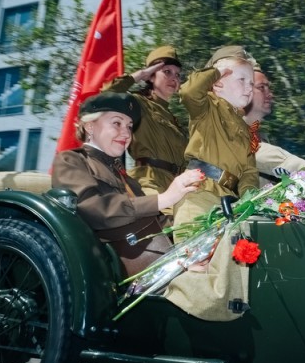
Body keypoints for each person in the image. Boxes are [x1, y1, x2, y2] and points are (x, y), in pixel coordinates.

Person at [51, 91, 204, 276]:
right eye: (116, 123)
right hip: (112, 269)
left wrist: (191, 242)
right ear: (90, 126)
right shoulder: (70, 160)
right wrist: (164, 199)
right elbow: (94, 210)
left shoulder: (122, 173)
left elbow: (155, 221)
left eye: (129, 126)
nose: (126, 133)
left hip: (153, 259)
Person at [172, 45, 259, 243]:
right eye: (241, 80)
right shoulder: (207, 107)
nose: (249, 88)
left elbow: (249, 172)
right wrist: (217, 72)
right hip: (199, 195)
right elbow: (189, 92)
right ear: (218, 83)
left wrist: (248, 200)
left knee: (221, 270)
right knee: (196, 265)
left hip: (229, 203)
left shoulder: (247, 130)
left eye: (252, 83)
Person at [101, 46, 189, 208]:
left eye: (177, 74)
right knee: (164, 221)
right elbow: (105, 96)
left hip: (176, 183)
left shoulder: (173, 119)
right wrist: (140, 74)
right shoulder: (137, 103)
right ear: (151, 76)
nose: (174, 78)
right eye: (167, 72)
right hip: (148, 181)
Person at [243, 64, 305, 186]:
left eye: (269, 88)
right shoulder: (226, 128)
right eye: (261, 87)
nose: (270, 94)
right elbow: (252, 152)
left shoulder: (262, 136)